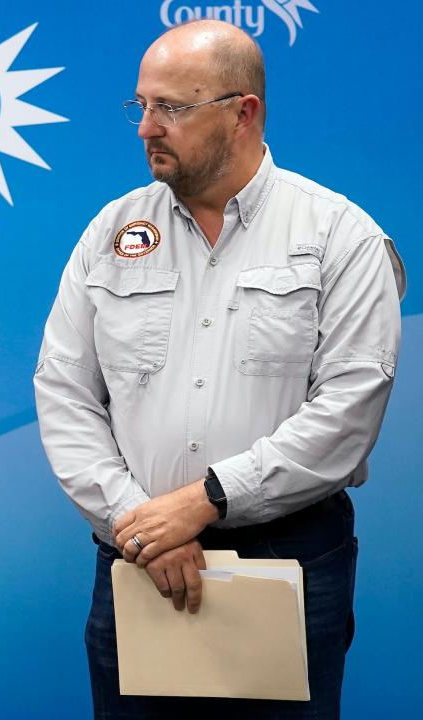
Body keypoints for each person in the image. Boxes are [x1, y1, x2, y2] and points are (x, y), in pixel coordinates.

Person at [34, 19, 403, 719]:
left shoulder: (338, 235)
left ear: (244, 113)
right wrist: (138, 524)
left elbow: (349, 411)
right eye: (139, 105)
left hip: (288, 560)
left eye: (172, 107)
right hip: (135, 561)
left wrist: (205, 500)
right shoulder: (110, 234)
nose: (146, 127)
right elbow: (63, 392)